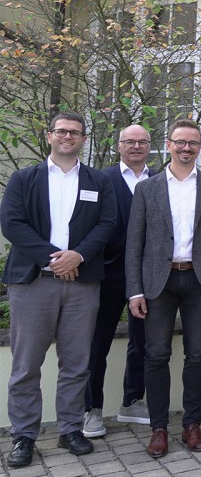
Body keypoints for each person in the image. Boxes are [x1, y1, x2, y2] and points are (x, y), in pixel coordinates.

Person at [3, 112, 118, 469]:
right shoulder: (25, 178)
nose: (68, 137)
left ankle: (70, 429)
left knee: (77, 363)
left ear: (84, 139)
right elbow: (12, 223)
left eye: (75, 133)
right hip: (34, 283)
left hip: (82, 284)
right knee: (26, 365)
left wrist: (78, 256)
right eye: (61, 131)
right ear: (49, 135)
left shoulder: (99, 180)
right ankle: (24, 435)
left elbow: (108, 223)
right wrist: (55, 259)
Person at [125, 119, 201, 457]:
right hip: (159, 282)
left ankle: (192, 424)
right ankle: (159, 428)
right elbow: (134, 244)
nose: (187, 148)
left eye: (193, 143)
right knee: (156, 354)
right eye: (181, 142)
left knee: (198, 353)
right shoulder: (148, 188)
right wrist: (135, 290)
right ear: (169, 144)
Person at [84, 125, 152, 439]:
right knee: (97, 342)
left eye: (142, 141)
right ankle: (92, 408)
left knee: (143, 340)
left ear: (150, 146)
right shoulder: (101, 179)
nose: (136, 146)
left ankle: (132, 401)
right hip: (108, 272)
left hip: (148, 275)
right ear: (119, 145)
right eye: (129, 141)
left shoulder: (160, 180)